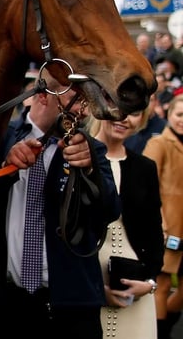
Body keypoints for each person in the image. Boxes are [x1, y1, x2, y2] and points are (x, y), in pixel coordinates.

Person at [0, 74, 120, 339]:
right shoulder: (0, 139)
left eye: (86, 101)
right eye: (75, 98)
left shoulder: (91, 150)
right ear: (43, 95)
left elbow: (109, 211)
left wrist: (89, 171)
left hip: (70, 309)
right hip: (5, 306)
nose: (81, 110)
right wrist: (5, 169)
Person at [89, 110, 163, 338]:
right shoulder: (77, 159)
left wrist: (149, 283)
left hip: (136, 290)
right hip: (87, 283)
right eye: (119, 110)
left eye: (134, 113)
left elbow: (154, 234)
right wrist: (94, 289)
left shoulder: (145, 168)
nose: (124, 119)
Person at [144, 95, 183, 338]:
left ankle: (165, 327)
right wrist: (160, 223)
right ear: (169, 114)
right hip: (167, 226)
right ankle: (160, 332)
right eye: (179, 115)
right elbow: (147, 186)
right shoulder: (159, 143)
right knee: (163, 283)